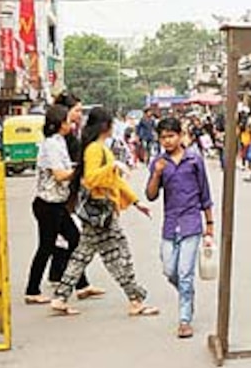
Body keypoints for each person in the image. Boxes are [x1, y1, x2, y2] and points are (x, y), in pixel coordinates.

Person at [49, 107, 159, 319]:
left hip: (98, 212)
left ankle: (61, 297)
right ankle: (135, 299)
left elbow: (114, 181)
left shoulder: (97, 148)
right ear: (106, 126)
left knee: (82, 255)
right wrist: (114, 166)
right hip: (101, 212)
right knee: (117, 255)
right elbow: (91, 179)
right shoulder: (95, 150)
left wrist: (136, 202)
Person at [147, 116, 215, 339]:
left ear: (180, 135)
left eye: (171, 136)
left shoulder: (194, 160)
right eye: (163, 137)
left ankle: (185, 319)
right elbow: (151, 195)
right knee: (170, 270)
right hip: (170, 224)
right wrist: (157, 174)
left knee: (185, 273)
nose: (167, 141)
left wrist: (210, 226)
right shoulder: (159, 162)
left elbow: (205, 194)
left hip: (191, 223)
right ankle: (187, 293)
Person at [25, 105, 81, 305]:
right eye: (67, 120)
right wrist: (80, 172)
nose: (71, 123)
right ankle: (32, 289)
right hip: (48, 204)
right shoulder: (51, 145)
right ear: (59, 124)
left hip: (56, 203)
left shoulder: (59, 142)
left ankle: (78, 284)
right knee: (46, 247)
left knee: (74, 239)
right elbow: (59, 175)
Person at [52, 92, 102, 298]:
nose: (80, 115)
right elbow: (60, 170)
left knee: (61, 240)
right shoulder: (58, 139)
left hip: (64, 196)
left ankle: (60, 277)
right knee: (70, 239)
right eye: (77, 111)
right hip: (56, 197)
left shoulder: (69, 135)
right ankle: (74, 285)